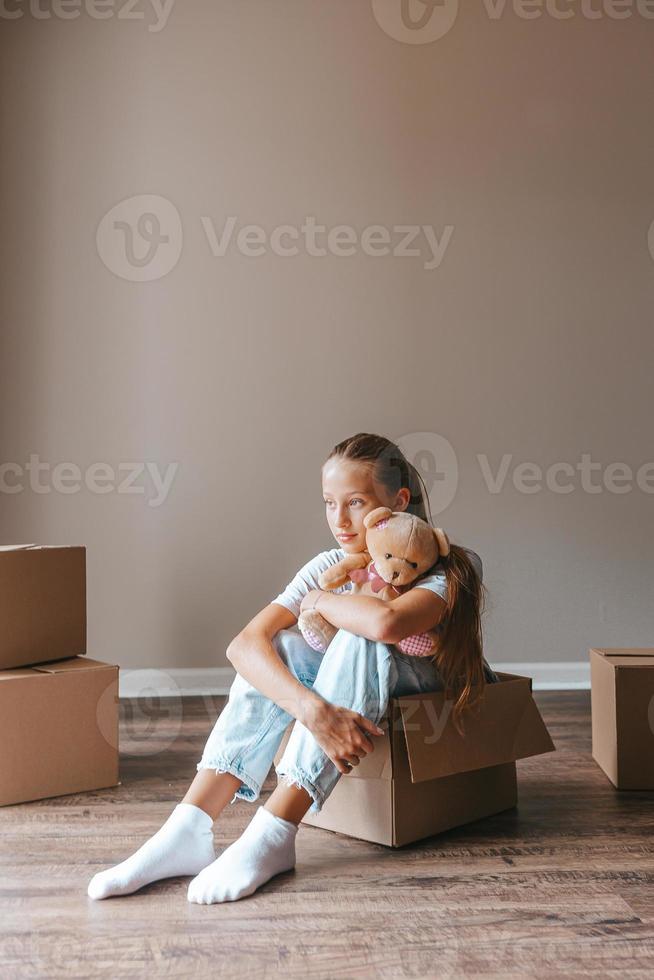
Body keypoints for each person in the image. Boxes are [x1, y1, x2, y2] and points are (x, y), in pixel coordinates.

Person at [87, 432, 498, 904]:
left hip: (435, 700)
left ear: (397, 501)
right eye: (328, 503)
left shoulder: (445, 566)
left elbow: (386, 623)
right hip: (358, 701)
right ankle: (189, 826)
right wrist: (312, 711)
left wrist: (321, 599)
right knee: (283, 644)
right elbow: (244, 646)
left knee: (358, 634)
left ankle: (276, 829)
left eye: (356, 502)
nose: (339, 520)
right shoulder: (329, 564)